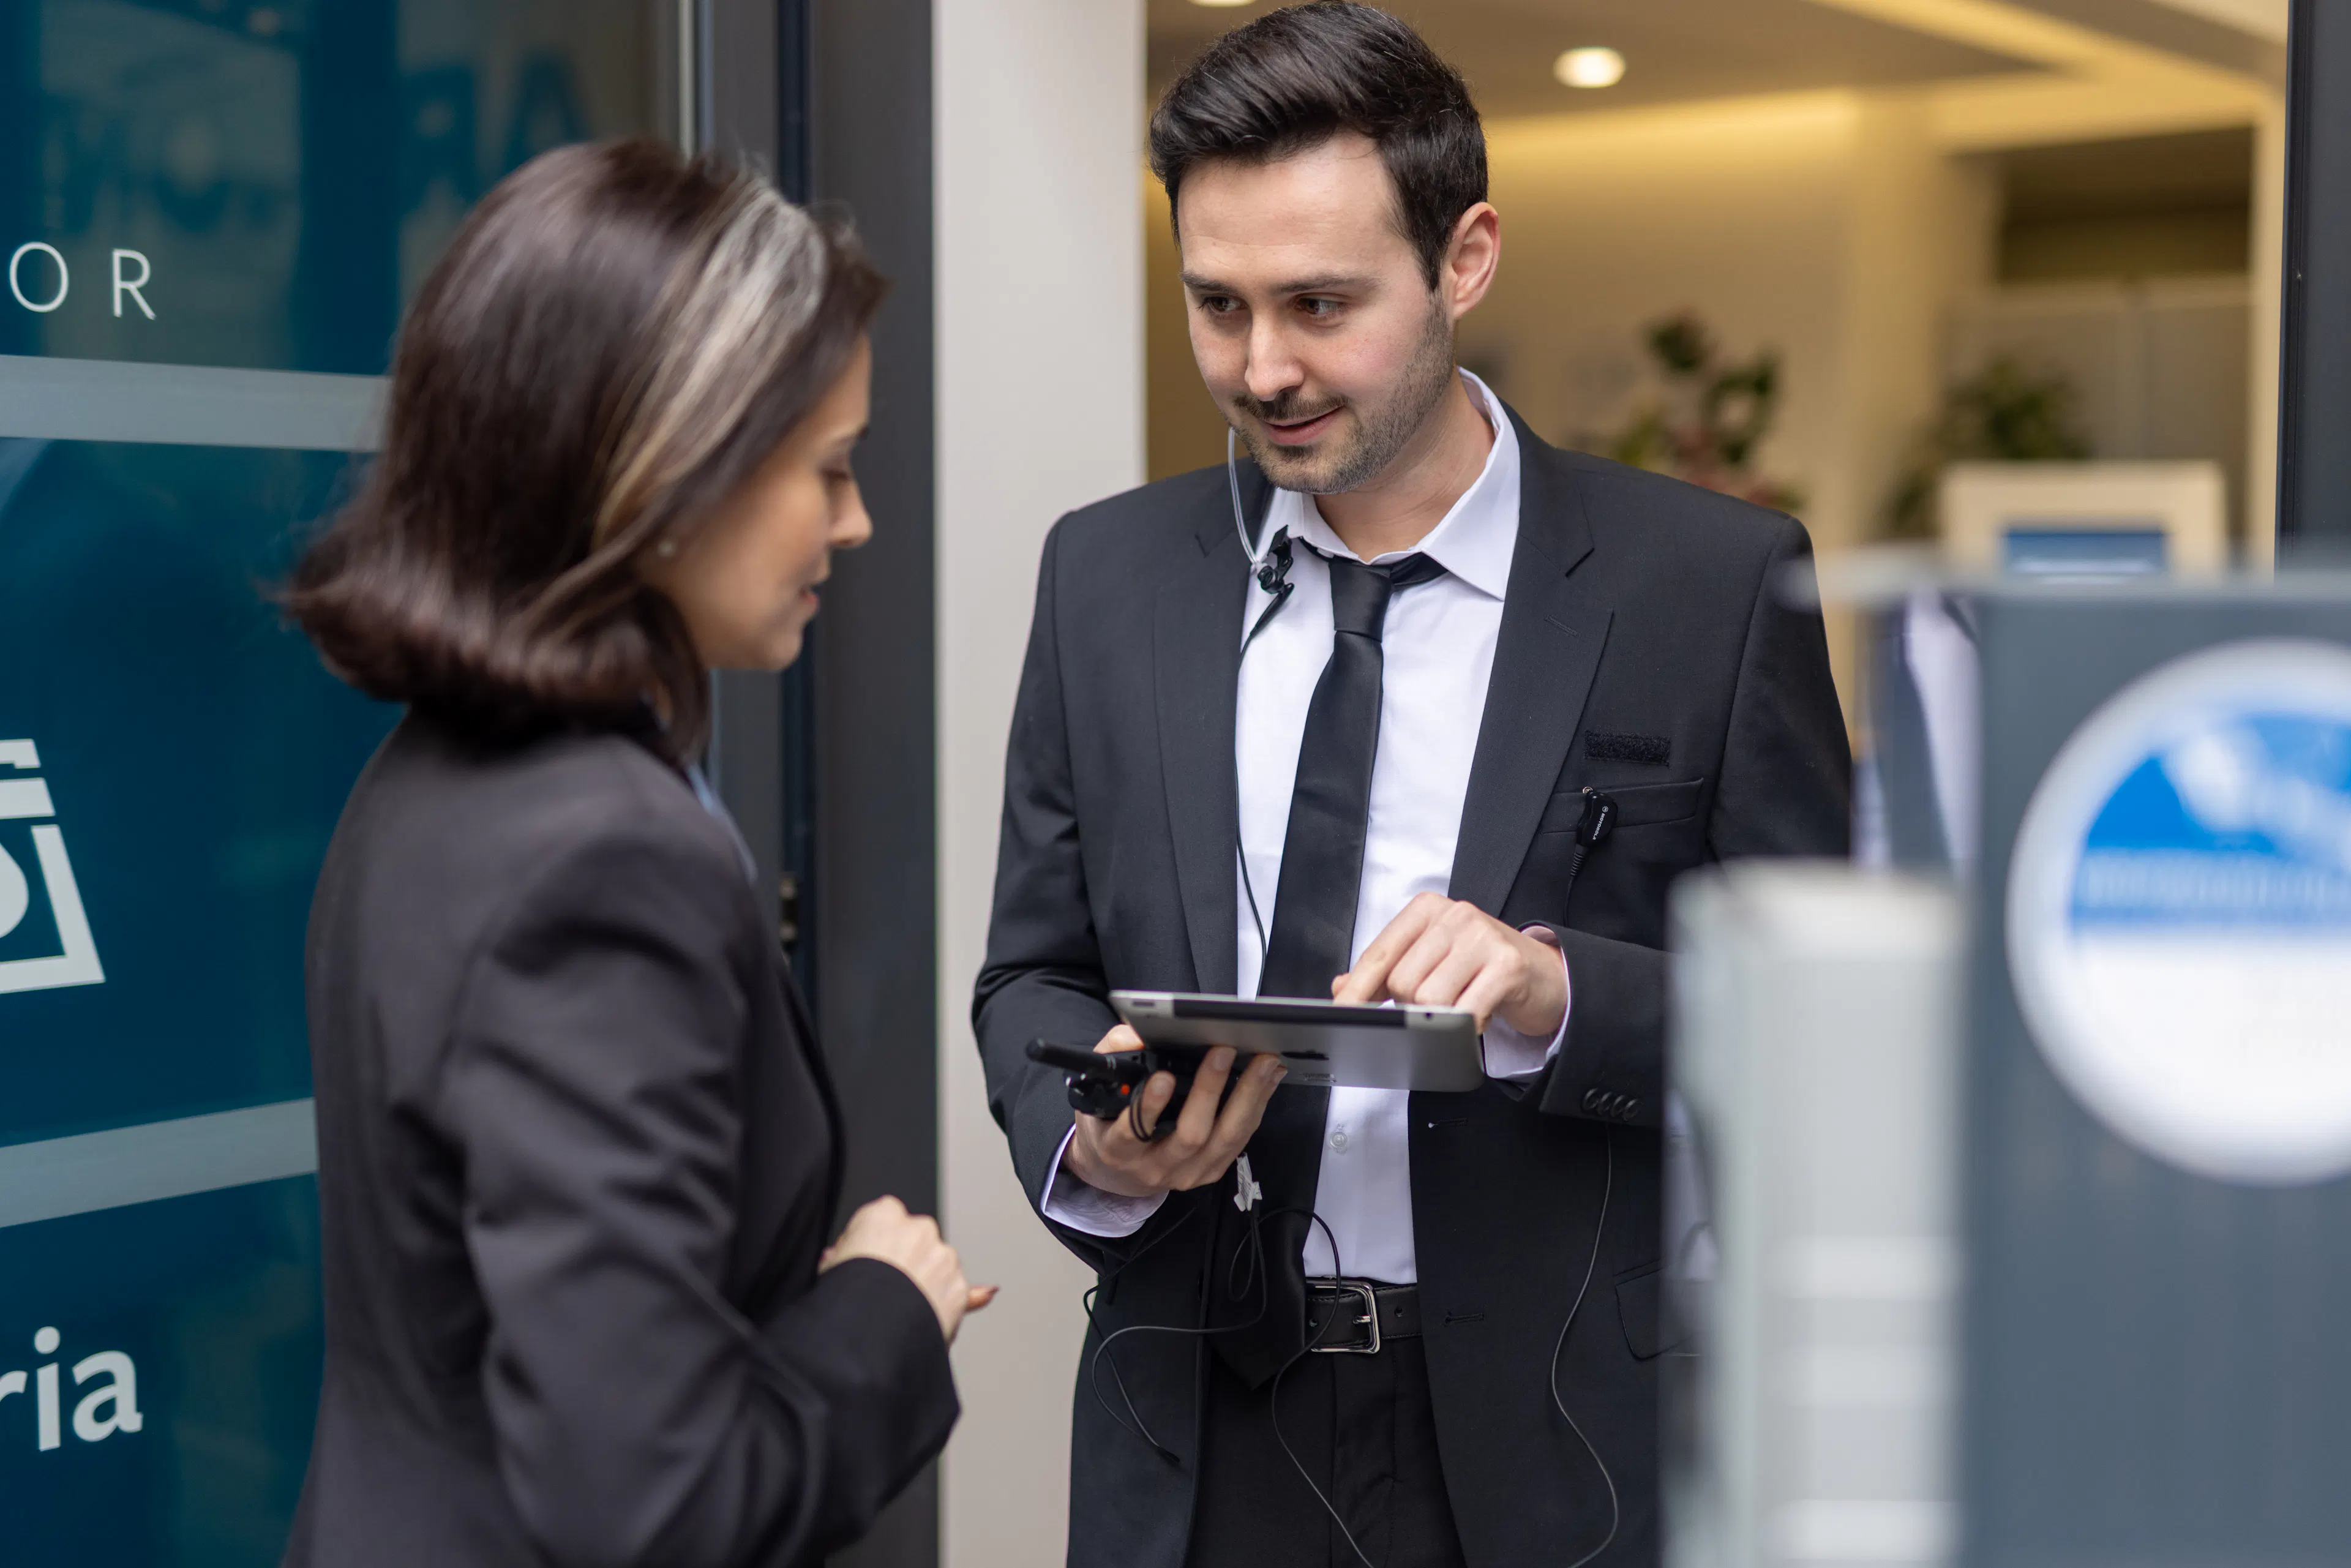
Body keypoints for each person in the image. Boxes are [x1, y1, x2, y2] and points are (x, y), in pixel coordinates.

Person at [973, 6, 1849, 1567]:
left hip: (1560, 1443)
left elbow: (1832, 1023)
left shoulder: (1705, 587)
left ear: (1466, 258)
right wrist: (1092, 1143)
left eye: (1321, 304)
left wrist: (1559, 992)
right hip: (1193, 1427)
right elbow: (1031, 971)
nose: (1264, 368)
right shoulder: (1105, 577)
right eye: (1218, 305)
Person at [279, 140, 985, 1568]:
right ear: (667, 474)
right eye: (829, 468)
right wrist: (884, 1311)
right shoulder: (603, 859)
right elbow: (656, 1505)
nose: (856, 520)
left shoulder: (432, 774)